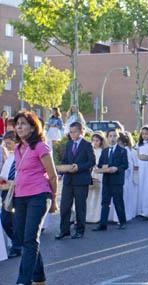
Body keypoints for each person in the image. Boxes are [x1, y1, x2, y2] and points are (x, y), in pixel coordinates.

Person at [7, 111, 58, 285]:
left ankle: (23, 281)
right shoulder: (18, 148)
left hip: (39, 196)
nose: (19, 127)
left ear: (33, 127)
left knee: (30, 238)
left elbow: (52, 176)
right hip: (20, 197)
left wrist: (54, 200)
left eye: (23, 123)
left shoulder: (41, 147)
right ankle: (39, 278)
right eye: (17, 124)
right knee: (24, 239)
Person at [56, 122, 96, 240]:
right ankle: (64, 231)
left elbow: (91, 162)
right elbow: (64, 161)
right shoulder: (68, 144)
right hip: (68, 180)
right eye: (71, 132)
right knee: (64, 207)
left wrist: (79, 167)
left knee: (80, 207)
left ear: (81, 131)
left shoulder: (87, 145)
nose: (72, 134)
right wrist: (61, 172)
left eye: (75, 132)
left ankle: (80, 230)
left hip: (81, 180)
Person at [93, 129, 129, 231]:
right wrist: (97, 168)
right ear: (107, 138)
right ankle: (103, 224)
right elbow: (100, 164)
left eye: (114, 136)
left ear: (117, 138)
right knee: (105, 202)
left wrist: (117, 168)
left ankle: (122, 222)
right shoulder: (104, 151)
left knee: (118, 202)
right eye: (110, 136)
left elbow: (125, 165)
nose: (112, 138)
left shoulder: (122, 151)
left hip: (117, 181)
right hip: (107, 180)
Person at [0, 131, 22, 258]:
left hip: (19, 191)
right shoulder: (11, 157)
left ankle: (17, 246)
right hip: (6, 191)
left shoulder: (23, 155)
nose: (6, 146)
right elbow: (4, 174)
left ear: (16, 141)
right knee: (5, 220)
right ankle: (17, 242)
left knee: (17, 220)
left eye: (8, 143)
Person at [86, 132, 106, 223]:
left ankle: (96, 217)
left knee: (98, 196)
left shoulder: (103, 151)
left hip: (99, 174)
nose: (95, 142)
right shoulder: (89, 150)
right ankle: (88, 216)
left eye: (97, 140)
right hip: (90, 174)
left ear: (101, 141)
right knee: (89, 196)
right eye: (93, 140)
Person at [117, 132, 138, 221]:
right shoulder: (132, 151)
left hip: (125, 176)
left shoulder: (125, 151)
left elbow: (130, 165)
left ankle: (124, 216)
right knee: (128, 197)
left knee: (124, 197)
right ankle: (129, 213)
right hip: (128, 176)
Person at [136, 126, 148, 217]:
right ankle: (139, 209)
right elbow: (137, 155)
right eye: (143, 134)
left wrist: (146, 158)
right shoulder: (139, 144)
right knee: (140, 186)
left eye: (146, 134)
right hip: (141, 167)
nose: (144, 135)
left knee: (147, 187)